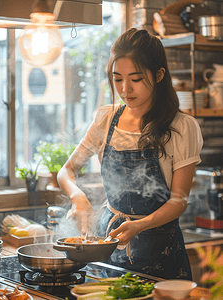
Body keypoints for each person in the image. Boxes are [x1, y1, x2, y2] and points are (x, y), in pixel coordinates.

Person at [57, 28, 203, 280]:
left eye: (136, 79)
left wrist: (140, 225)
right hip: (109, 247)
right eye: (118, 79)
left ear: (158, 75)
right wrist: (77, 196)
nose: (125, 89)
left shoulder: (181, 127)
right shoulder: (106, 118)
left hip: (160, 252)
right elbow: (66, 171)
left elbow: (179, 201)